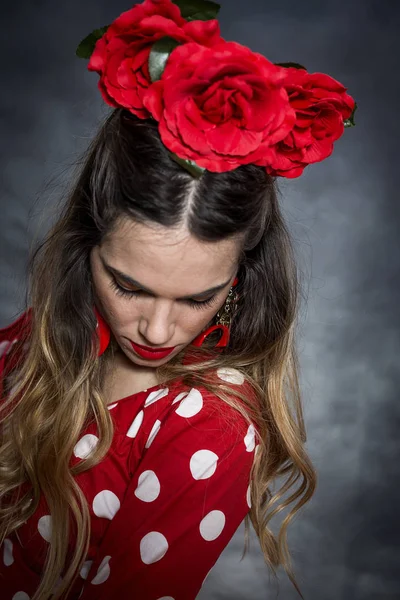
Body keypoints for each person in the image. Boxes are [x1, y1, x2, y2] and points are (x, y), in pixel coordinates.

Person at [0, 1, 356, 599]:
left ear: (242, 275)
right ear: (86, 244)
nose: (158, 330)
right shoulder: (44, 336)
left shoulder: (211, 428)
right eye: (128, 285)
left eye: (197, 298)